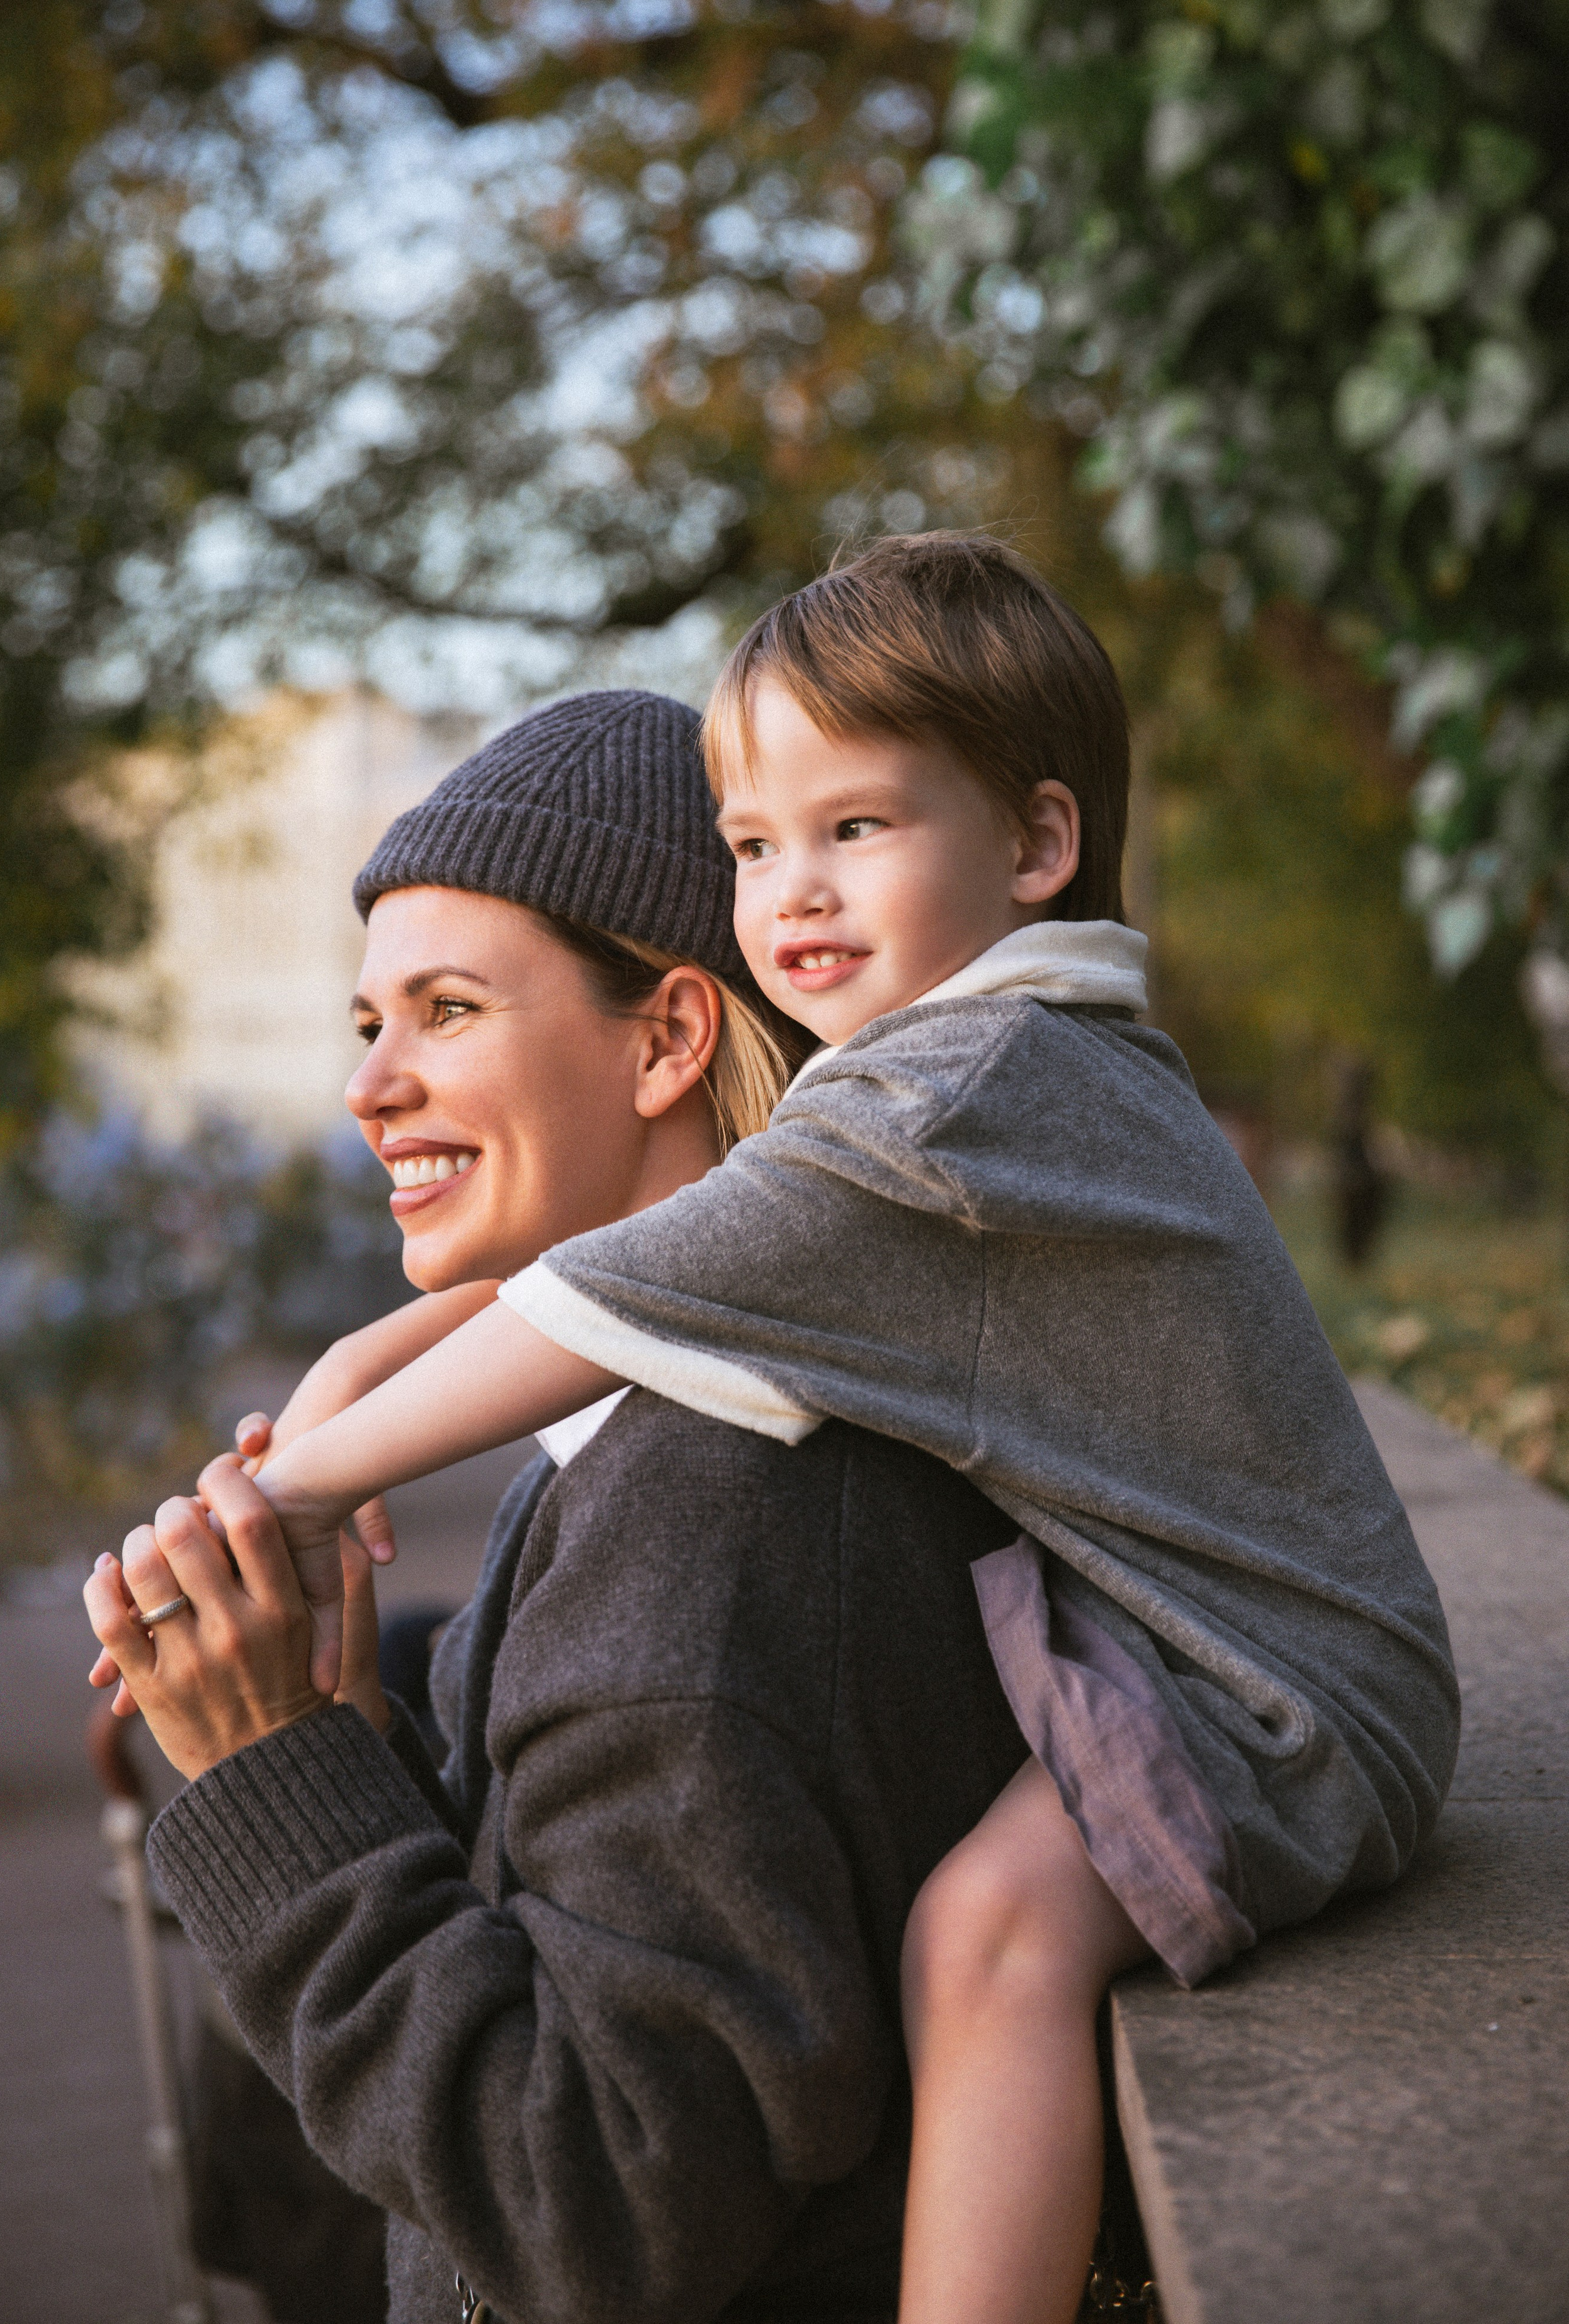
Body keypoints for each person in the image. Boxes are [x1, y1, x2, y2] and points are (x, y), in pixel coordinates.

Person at [185, 539, 1461, 2324]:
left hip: (1275, 1688)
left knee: (992, 1944)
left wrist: (304, 1490)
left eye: (853, 827)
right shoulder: (944, 1111)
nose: (367, 1083)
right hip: (1234, 1645)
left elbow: (593, 2207)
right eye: (754, 846)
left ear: (1038, 840)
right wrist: (335, 1445)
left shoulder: (946, 1114)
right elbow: (636, 1280)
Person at [85, 686, 1034, 2324]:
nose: (371, 1087)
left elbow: (595, 2205)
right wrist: (348, 1737)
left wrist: (266, 1771)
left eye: (446, 1011)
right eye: (367, 1024)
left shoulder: (712, 1519)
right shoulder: (651, 1437)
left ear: (669, 1039)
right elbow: (548, 1930)